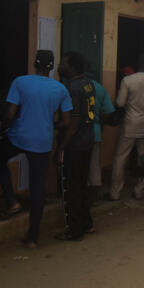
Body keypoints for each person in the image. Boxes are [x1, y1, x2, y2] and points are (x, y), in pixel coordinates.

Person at [0, 50, 72, 248]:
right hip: (42, 141)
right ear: (52, 67)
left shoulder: (20, 82)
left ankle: (11, 201)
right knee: (37, 188)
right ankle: (33, 237)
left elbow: (10, 114)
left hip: (18, 137)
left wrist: (2, 125)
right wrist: (48, 126)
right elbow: (66, 121)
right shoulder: (61, 89)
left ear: (34, 63)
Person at [110, 53, 144, 200]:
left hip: (130, 124)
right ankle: (139, 190)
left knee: (120, 158)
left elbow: (120, 103)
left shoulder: (128, 80)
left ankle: (115, 192)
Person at [55, 52, 96, 241]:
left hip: (75, 142)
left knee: (72, 186)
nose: (60, 65)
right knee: (81, 183)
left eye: (63, 63)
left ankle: (74, 230)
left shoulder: (71, 88)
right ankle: (87, 223)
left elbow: (74, 120)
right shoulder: (88, 83)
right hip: (87, 140)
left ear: (71, 67)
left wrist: (62, 146)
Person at [87, 77, 115, 198]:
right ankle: (93, 199)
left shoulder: (74, 85)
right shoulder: (100, 88)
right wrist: (99, 123)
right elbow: (108, 112)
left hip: (76, 134)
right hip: (95, 132)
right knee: (94, 167)